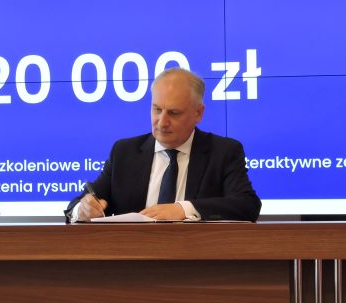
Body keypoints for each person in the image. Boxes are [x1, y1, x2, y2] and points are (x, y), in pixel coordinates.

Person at [67, 67, 261, 222]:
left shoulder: (223, 152)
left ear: (198, 113)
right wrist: (82, 210)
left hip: (197, 255)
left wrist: (183, 209)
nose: (162, 122)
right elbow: (77, 205)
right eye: (157, 109)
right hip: (134, 256)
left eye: (174, 113)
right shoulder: (125, 152)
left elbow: (247, 205)